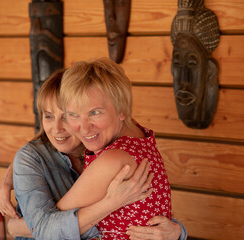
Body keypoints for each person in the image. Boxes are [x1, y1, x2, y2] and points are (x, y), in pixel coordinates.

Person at [0, 69, 187, 239]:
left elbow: (144, 212)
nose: (57, 128)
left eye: (66, 116)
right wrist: (111, 202)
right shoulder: (33, 158)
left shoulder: (107, 149)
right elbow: (44, 229)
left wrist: (177, 231)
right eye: (48, 116)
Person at [57, 58, 175, 239]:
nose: (84, 127)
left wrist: (13, 226)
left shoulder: (113, 160)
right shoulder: (138, 136)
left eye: (94, 112)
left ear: (122, 111)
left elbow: (54, 224)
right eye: (74, 115)